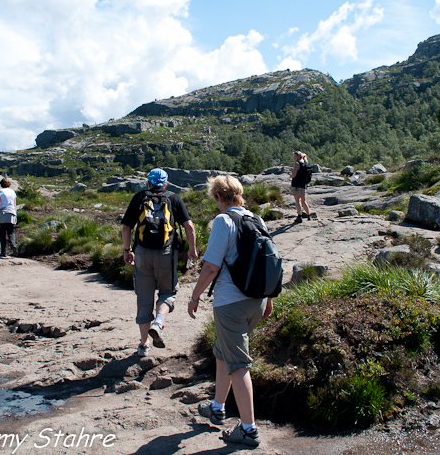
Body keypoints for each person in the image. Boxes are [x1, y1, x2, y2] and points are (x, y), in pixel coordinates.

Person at [188, 175, 273, 448]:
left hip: (230, 303)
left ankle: (248, 430)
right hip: (256, 301)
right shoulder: (257, 219)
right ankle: (217, 407)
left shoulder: (223, 221)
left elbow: (211, 266)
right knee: (223, 352)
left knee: (238, 364)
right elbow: (268, 262)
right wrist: (268, 298)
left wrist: (195, 295)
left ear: (218, 197)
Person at [121, 168, 197, 357]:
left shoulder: (139, 197)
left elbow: (126, 227)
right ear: (166, 183)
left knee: (144, 297)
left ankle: (143, 344)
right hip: (166, 253)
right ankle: (158, 322)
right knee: (168, 292)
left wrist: (127, 250)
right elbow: (189, 226)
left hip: (142, 254)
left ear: (148, 183)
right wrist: (192, 250)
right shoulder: (174, 198)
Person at [0, 177, 17, 258]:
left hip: (3, 212)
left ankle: (3, 252)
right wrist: (15, 214)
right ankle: (13, 245)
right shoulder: (13, 192)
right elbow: (14, 204)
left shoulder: (0, 192)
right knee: (11, 231)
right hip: (12, 212)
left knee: (2, 233)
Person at [290, 150, 311, 223]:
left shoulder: (297, 164)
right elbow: (305, 155)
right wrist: (302, 155)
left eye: (295, 156)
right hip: (303, 184)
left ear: (298, 156)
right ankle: (308, 215)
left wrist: (290, 176)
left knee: (297, 200)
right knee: (303, 200)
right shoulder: (305, 163)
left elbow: (294, 175)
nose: (294, 158)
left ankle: (299, 216)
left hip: (296, 184)